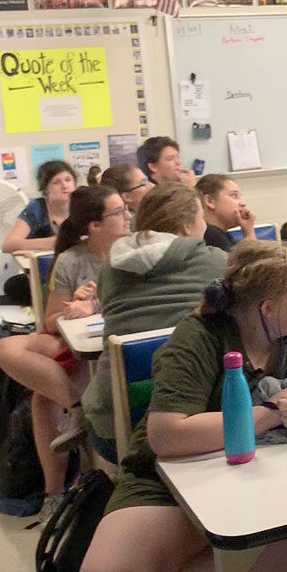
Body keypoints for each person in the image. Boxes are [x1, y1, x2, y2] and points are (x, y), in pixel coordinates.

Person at [80, 240, 287, 572]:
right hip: (173, 483)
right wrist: (271, 414)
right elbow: (166, 434)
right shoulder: (199, 336)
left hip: (281, 476)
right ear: (267, 307)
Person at [0, 185, 131, 522]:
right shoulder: (71, 259)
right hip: (76, 345)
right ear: (95, 225)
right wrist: (73, 308)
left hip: (113, 346)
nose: (128, 217)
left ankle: (56, 489)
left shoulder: (133, 252)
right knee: (5, 347)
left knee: (42, 398)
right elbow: (51, 321)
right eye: (119, 212)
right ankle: (79, 408)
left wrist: (94, 303)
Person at [80, 183, 228, 462]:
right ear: (186, 227)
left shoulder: (111, 266)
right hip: (195, 416)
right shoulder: (218, 263)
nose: (205, 228)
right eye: (201, 219)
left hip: (110, 418)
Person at [1, 160, 78, 306]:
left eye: (68, 180)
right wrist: (50, 243)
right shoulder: (37, 208)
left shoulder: (81, 205)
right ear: (45, 189)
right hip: (44, 270)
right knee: (14, 286)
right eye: (56, 182)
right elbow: (8, 245)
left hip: (76, 268)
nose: (64, 186)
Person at [195, 173, 257, 251]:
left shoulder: (219, 234)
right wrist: (249, 232)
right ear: (210, 201)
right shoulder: (212, 238)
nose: (242, 203)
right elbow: (249, 262)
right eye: (234, 195)